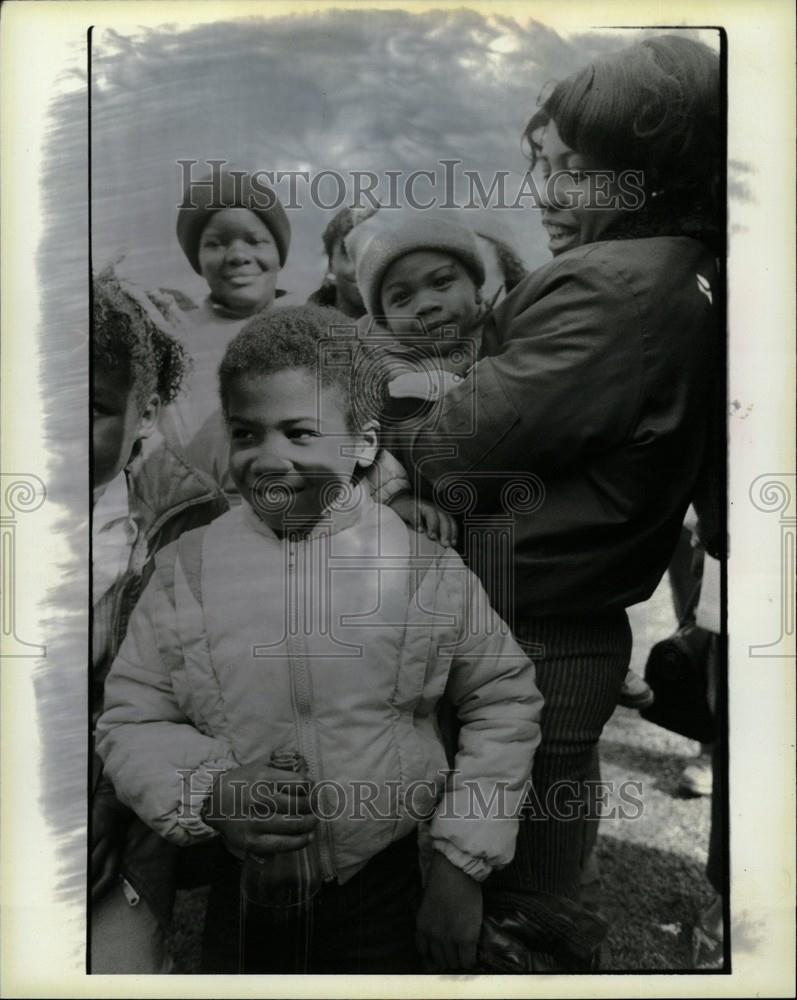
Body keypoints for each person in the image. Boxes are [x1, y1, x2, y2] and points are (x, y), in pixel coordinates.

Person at [379, 34, 722, 934]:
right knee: (530, 824)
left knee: (507, 894)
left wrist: (397, 402)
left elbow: (457, 450)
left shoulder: (612, 287)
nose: (545, 190)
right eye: (545, 163)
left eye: (573, 169)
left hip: (535, 622)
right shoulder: (681, 271)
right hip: (560, 618)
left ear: (644, 172)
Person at [96, 304, 544, 974]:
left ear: (364, 442)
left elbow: (502, 700)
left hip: (381, 887)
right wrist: (209, 791)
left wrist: (460, 863)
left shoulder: (423, 569)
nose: (269, 458)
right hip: (242, 888)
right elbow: (132, 716)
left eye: (300, 433)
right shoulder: (185, 569)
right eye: (247, 433)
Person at [90, 265, 228, 972]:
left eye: (91, 406)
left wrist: (111, 809)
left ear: (144, 413)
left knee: (117, 964)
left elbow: (171, 699)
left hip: (126, 808)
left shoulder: (171, 524)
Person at [162, 164, 292, 450]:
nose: (237, 256)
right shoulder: (172, 339)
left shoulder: (313, 326)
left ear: (279, 254)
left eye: (255, 241)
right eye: (216, 244)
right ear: (197, 260)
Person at [307, 205, 377, 317]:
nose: (362, 266)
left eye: (375, 253)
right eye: (349, 253)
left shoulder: (410, 328)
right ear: (330, 265)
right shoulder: (296, 329)